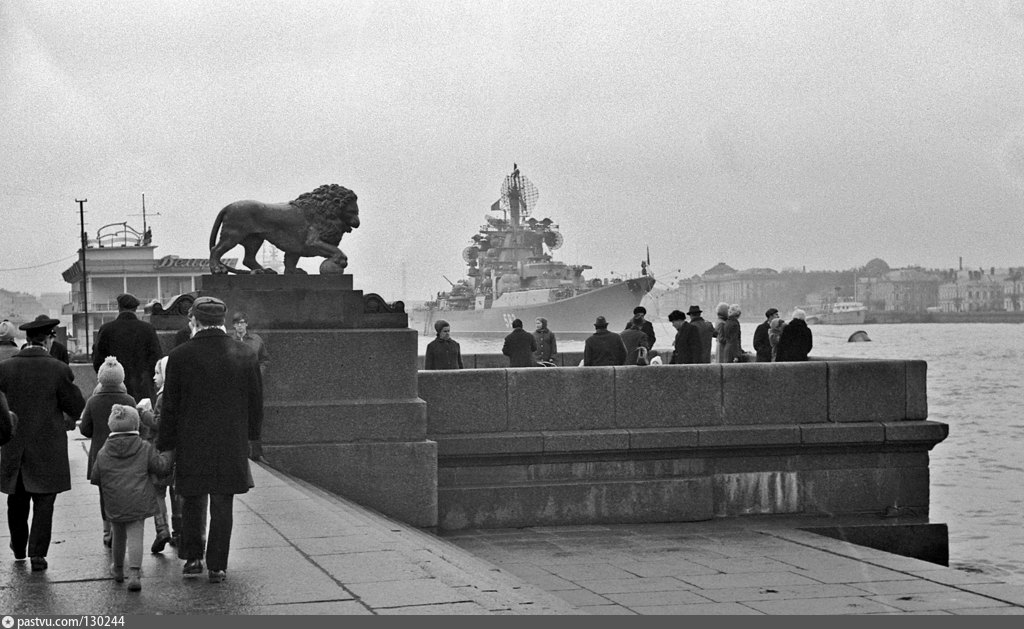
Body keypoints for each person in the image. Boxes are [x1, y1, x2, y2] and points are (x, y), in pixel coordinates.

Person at [156, 296, 263, 584]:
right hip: (231, 440)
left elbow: (170, 406)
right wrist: (253, 438)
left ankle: (193, 559)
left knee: (191, 498)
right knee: (222, 502)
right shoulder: (244, 353)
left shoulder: (180, 356)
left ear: (195, 320)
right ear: (223, 320)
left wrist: (165, 443)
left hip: (192, 439)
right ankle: (217, 565)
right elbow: (255, 401)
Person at [0, 316, 86, 571]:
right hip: (48, 446)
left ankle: (18, 545)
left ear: (27, 340)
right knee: (44, 501)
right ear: (48, 339)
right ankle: (38, 554)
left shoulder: (4, 368)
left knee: (16, 500)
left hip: (15, 445)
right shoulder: (58, 369)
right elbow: (76, 406)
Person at [91, 404, 173, 591]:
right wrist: (169, 453)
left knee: (118, 535)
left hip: (115, 502)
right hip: (138, 501)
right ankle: (135, 573)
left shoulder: (104, 451)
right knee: (136, 535)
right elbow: (160, 467)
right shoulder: (144, 448)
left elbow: (96, 476)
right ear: (136, 425)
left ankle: (118, 569)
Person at [79, 356, 138, 550]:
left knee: (105, 494)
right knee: (124, 491)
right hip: (127, 455)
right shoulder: (128, 400)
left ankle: (107, 530)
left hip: (101, 455)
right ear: (121, 378)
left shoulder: (93, 401)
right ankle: (121, 527)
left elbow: (85, 429)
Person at [92, 293, 164, 403]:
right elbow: (156, 358)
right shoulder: (147, 329)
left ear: (119, 307)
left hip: (114, 389)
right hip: (142, 387)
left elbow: (98, 360)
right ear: (136, 308)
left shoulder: (106, 329)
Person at [140, 356, 177, 553]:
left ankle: (162, 529)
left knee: (158, 492)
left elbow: (159, 424)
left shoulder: (163, 397)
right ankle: (179, 531)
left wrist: (144, 414)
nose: (154, 378)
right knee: (175, 492)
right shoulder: (177, 393)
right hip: (176, 450)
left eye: (157, 373)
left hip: (161, 450)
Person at [231, 312, 270, 377]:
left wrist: (258, 373)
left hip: (253, 380)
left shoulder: (256, 339)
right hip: (234, 381)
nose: (239, 325)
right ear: (234, 325)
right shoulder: (229, 341)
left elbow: (264, 360)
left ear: (246, 324)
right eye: (237, 323)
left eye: (242, 322)